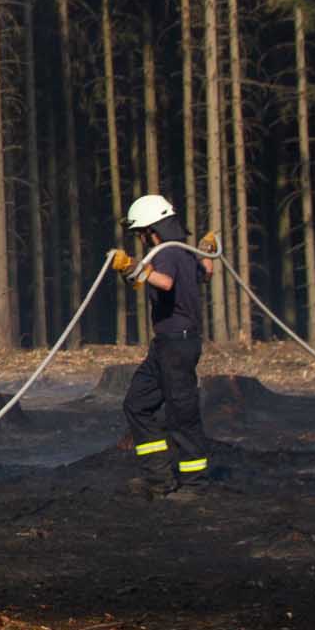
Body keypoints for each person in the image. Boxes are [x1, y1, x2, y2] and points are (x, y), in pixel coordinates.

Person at [109, 195, 207, 496]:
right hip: (165, 345)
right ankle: (158, 476)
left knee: (181, 413)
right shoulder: (182, 252)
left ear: (153, 230)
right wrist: (207, 251)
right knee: (137, 404)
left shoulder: (166, 251)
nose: (140, 239)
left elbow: (164, 282)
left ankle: (193, 483)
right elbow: (205, 272)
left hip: (178, 344)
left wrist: (134, 265)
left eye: (141, 233)